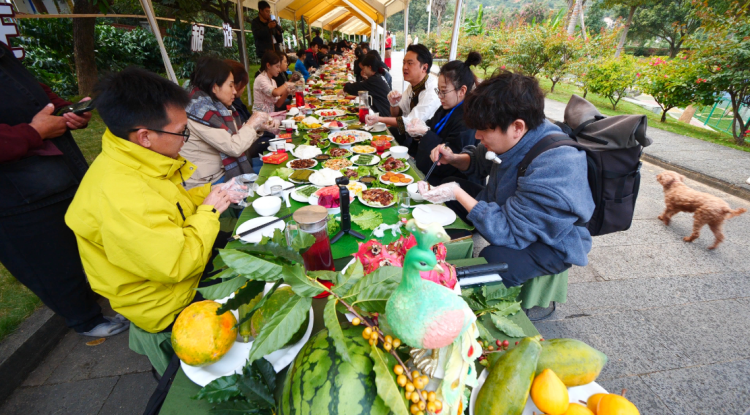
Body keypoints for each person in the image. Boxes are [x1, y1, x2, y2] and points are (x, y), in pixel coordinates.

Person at [65, 67, 245, 373]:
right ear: (145, 136)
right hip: (168, 301)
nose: (185, 140)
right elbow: (177, 263)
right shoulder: (122, 195)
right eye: (182, 132)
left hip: (177, 272)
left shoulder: (134, 158)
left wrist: (208, 193)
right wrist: (210, 211)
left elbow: (170, 206)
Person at [0, 41, 128, 338]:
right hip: (18, 195)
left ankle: (121, 298)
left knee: (92, 242)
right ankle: (85, 319)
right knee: (52, 261)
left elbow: (33, 93)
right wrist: (33, 132)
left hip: (59, 172)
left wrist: (65, 111)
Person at [422, 71, 595, 287]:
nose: (477, 136)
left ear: (517, 127)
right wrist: (453, 158)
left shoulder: (556, 165)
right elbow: (478, 160)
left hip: (549, 242)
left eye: (484, 130)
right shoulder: (515, 133)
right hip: (506, 209)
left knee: (492, 260)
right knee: (448, 185)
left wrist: (456, 192)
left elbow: (509, 232)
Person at [181, 57, 272, 189]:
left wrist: (257, 127)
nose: (234, 91)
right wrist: (252, 124)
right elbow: (234, 147)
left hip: (220, 170)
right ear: (214, 87)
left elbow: (234, 138)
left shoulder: (214, 107)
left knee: (271, 169)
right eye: (230, 85)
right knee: (270, 177)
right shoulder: (198, 112)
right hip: (206, 183)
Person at [414, 52, 482, 186]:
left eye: (444, 91)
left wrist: (425, 133)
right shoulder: (447, 107)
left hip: (454, 183)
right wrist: (419, 129)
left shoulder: (468, 120)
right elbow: (432, 125)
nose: (440, 96)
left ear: (462, 91)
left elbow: (451, 158)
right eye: (438, 91)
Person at [367, 44, 440, 149]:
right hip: (410, 138)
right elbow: (397, 114)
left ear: (424, 67)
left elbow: (409, 123)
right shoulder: (413, 86)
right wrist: (394, 104)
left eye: (410, 63)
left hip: (426, 146)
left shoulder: (431, 90)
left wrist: (379, 118)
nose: (404, 67)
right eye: (404, 63)